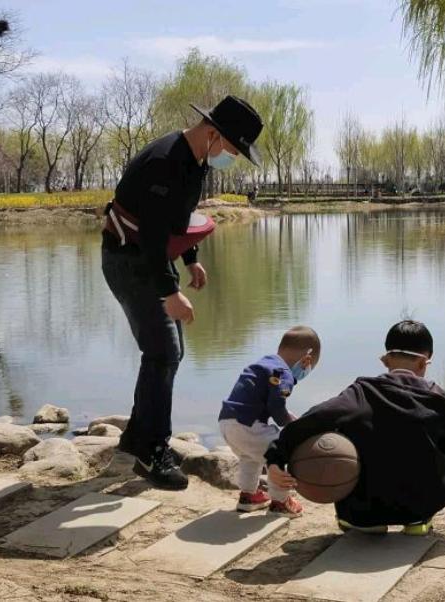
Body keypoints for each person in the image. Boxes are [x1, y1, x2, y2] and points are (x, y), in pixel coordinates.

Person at [102, 95, 264, 490]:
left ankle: (138, 438)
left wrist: (190, 257)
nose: (233, 157)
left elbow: (177, 222)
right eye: (233, 148)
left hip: (147, 258)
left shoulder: (194, 162)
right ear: (212, 134)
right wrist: (170, 292)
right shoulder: (165, 162)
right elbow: (154, 239)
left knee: (167, 352)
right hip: (130, 261)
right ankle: (153, 450)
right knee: (164, 351)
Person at [265, 320, 445, 535]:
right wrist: (440, 497)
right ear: (424, 363)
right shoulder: (442, 402)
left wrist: (275, 459)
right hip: (420, 508)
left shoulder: (359, 395)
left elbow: (306, 423)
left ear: (385, 360)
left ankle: (363, 523)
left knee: (343, 438)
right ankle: (417, 522)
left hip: (363, 511)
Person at [219, 326, 321, 518]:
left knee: (250, 457)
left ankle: (248, 496)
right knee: (279, 449)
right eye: (308, 367)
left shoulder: (265, 364)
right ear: (306, 359)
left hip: (227, 423)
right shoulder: (284, 374)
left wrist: (287, 414)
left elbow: (266, 401)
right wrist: (292, 426)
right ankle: (280, 501)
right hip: (248, 425)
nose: (305, 371)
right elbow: (278, 409)